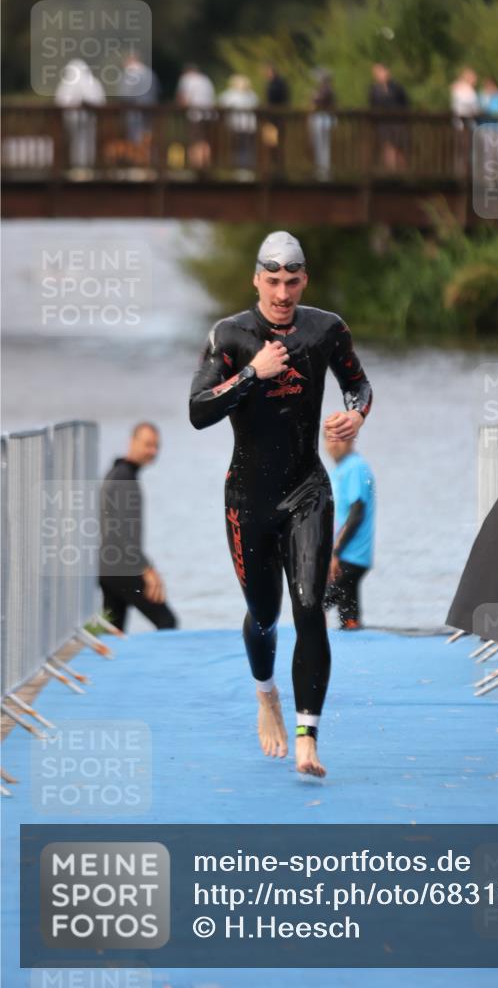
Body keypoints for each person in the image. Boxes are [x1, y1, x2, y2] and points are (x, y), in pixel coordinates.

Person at [189, 231, 372, 777]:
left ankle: (308, 738)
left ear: (304, 281)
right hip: (248, 498)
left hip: (306, 489)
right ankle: (265, 693)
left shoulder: (326, 329)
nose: (283, 293)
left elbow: (359, 386)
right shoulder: (231, 335)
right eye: (273, 281)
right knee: (265, 615)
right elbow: (198, 410)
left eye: (292, 281)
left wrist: (357, 414)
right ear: (256, 281)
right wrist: (252, 374)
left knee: (310, 606)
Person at [99, 423, 178, 632]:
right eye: (147, 445)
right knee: (167, 622)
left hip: (108, 567)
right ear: (131, 443)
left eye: (156, 446)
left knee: (113, 631)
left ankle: (108, 663)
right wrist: (148, 570)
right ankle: (166, 665)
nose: (152, 451)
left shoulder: (116, 472)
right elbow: (123, 533)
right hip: (122, 566)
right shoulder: (125, 478)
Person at [323, 429, 375, 629]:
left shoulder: (355, 467)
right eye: (330, 439)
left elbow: (357, 513)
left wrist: (336, 551)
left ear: (351, 440)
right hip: (344, 555)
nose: (334, 444)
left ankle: (309, 652)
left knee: (315, 603)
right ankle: (353, 631)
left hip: (350, 556)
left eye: (340, 439)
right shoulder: (341, 469)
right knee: (349, 617)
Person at [54, 59, 106, 170]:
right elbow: (100, 100)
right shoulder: (93, 82)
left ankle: (79, 166)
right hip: (89, 119)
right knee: (86, 141)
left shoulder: (67, 83)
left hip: (74, 119)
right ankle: (86, 165)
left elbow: (60, 101)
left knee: (78, 142)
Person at [368, 63, 409, 171]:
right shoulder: (374, 89)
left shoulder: (397, 87)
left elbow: (405, 103)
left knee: (399, 149)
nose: (380, 75)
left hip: (398, 122)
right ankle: (391, 173)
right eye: (377, 73)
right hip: (383, 123)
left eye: (381, 72)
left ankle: (402, 173)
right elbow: (372, 105)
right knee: (387, 148)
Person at [175, 63, 216, 169]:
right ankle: (205, 165)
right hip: (209, 115)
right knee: (205, 141)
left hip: (194, 115)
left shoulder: (186, 79)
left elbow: (183, 99)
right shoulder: (206, 80)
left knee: (194, 141)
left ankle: (195, 166)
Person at [219, 74, 259, 172]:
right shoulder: (252, 95)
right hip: (250, 127)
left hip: (236, 127)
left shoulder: (229, 95)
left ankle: (240, 168)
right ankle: (246, 168)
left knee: (238, 148)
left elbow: (220, 105)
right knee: (247, 148)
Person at [308, 69, 336, 179]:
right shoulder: (325, 90)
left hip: (324, 120)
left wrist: (314, 97)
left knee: (323, 146)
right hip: (322, 119)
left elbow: (318, 102)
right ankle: (321, 169)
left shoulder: (327, 90)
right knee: (320, 146)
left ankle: (324, 170)